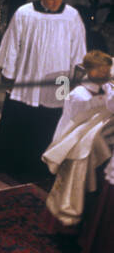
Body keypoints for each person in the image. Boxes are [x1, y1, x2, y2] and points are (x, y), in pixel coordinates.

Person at [0, 0, 88, 182]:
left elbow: (78, 51)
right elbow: (11, 45)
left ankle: (40, 170)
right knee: (20, 118)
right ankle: (10, 165)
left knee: (51, 121)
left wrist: (73, 81)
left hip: (60, 79)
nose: (56, 3)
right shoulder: (24, 13)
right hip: (28, 75)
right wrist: (9, 75)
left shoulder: (71, 16)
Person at [40, 51, 114, 233]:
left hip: (92, 134)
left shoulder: (104, 89)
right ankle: (60, 227)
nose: (105, 75)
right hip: (73, 138)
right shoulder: (79, 95)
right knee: (68, 180)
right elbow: (70, 121)